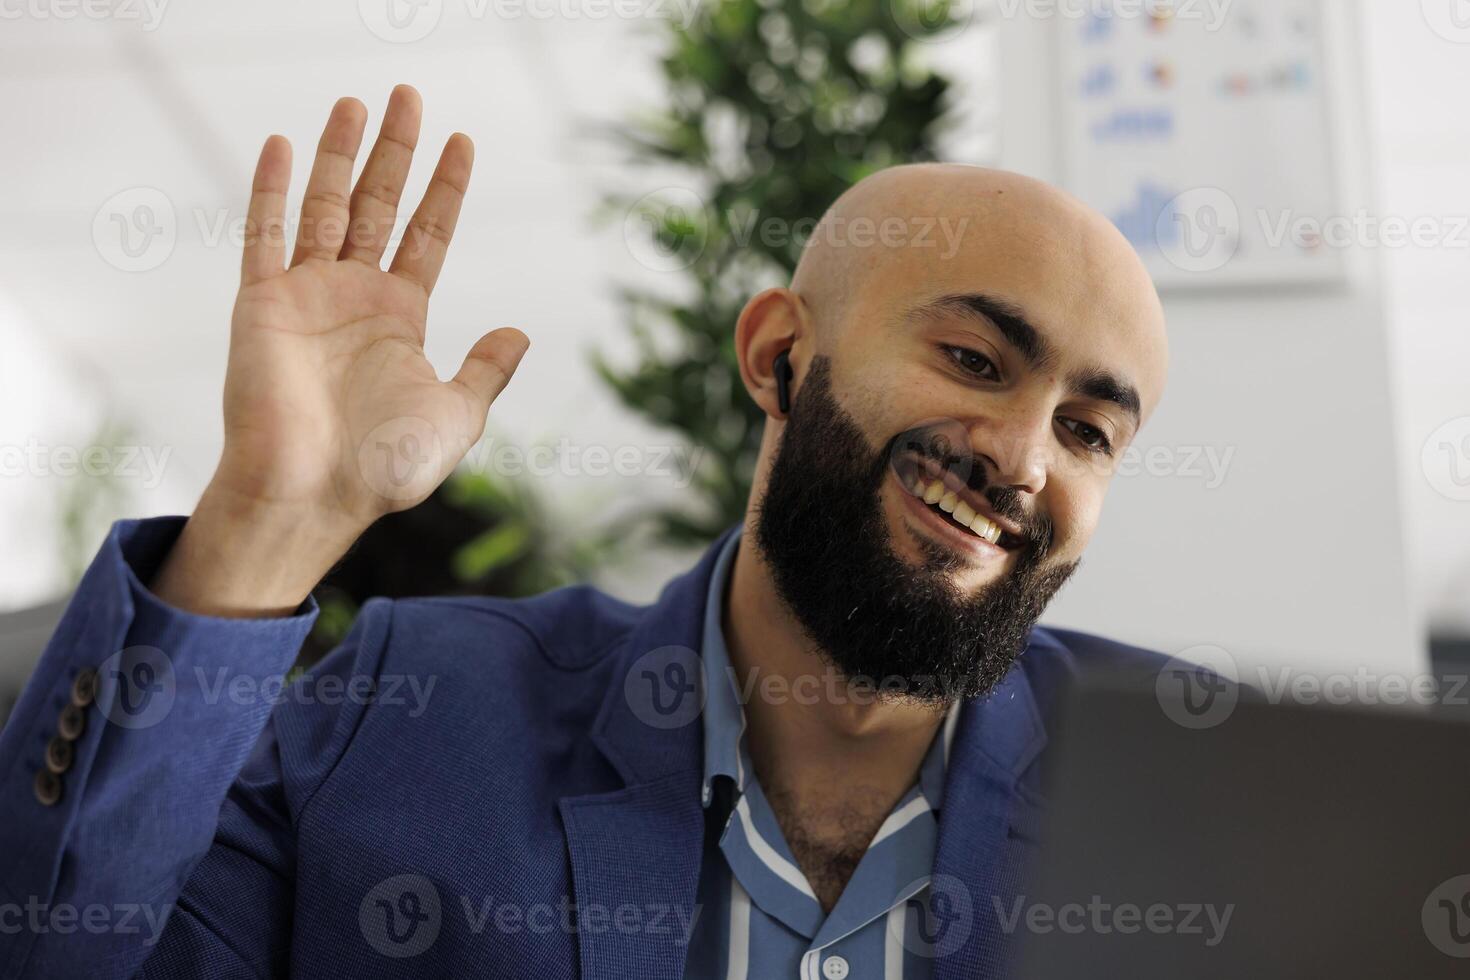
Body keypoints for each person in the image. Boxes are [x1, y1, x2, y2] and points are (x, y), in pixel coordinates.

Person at [0, 84, 1170, 978]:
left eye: (1086, 429)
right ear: (780, 358)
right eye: (972, 359)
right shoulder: (411, 708)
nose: (1022, 457)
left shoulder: (1187, 788)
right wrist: (264, 521)